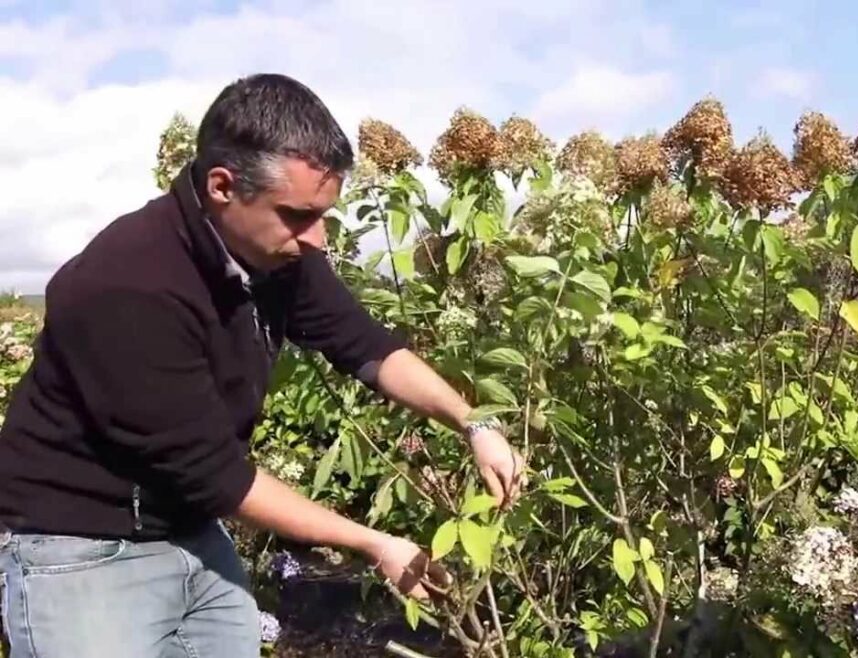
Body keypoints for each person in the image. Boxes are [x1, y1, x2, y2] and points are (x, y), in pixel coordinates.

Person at [0, 73, 526, 657]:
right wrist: (376, 543)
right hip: (83, 551)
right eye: (299, 215)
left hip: (193, 531)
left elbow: (365, 345)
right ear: (223, 187)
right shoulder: (127, 287)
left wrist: (472, 423)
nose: (317, 238)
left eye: (325, 214)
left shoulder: (274, 254)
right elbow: (216, 474)